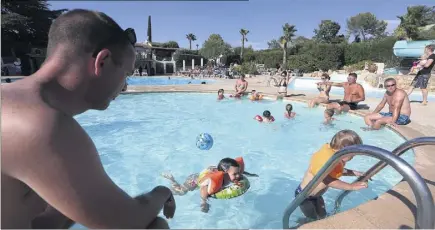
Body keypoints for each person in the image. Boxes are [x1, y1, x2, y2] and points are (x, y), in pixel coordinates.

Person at [1, 9, 174, 229]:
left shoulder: (11, 101)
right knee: (155, 226)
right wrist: (163, 192)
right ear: (102, 61)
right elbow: (128, 223)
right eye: (126, 74)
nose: (124, 86)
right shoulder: (41, 125)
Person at [296, 130, 368, 220]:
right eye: (352, 155)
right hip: (304, 197)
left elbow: (337, 171)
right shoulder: (326, 159)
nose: (353, 158)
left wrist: (354, 173)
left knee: (322, 216)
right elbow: (326, 179)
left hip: (316, 196)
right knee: (312, 220)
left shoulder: (336, 156)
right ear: (344, 149)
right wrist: (351, 186)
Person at [161, 157, 258, 213]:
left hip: (205, 177)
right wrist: (204, 202)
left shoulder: (232, 172)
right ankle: (172, 179)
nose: (238, 175)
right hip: (194, 181)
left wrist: (251, 175)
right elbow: (203, 188)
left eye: (238, 172)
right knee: (181, 191)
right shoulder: (217, 178)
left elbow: (240, 172)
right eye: (235, 174)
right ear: (224, 173)